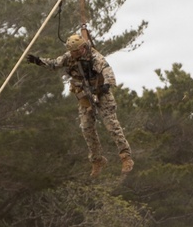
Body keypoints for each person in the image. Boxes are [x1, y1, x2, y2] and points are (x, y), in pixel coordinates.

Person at [26, 34, 134, 178]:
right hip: (84, 95)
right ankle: (97, 160)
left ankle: (126, 157)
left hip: (101, 93)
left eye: (76, 51)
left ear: (83, 48)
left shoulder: (95, 57)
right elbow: (54, 64)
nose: (73, 54)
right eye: (72, 51)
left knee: (112, 125)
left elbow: (108, 72)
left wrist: (106, 86)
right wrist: (38, 61)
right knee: (86, 127)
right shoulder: (70, 56)